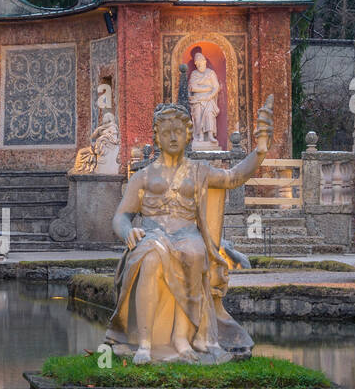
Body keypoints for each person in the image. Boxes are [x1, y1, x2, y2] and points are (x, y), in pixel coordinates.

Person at [105, 92, 273, 364]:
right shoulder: (143, 177)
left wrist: (260, 150)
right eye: (167, 132)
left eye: (179, 132)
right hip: (152, 234)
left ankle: (183, 340)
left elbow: (233, 177)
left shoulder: (199, 171)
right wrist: (128, 231)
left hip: (187, 235)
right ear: (157, 136)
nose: (173, 137)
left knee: (196, 253)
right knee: (150, 257)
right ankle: (145, 344)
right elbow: (121, 216)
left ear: (188, 135)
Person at [187, 48, 221, 146]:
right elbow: (192, 87)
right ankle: (200, 135)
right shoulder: (194, 74)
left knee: (209, 114)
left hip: (209, 99)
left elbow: (216, 87)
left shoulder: (210, 73)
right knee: (197, 115)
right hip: (197, 100)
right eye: (196, 63)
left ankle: (210, 135)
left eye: (200, 62)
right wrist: (207, 88)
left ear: (205, 62)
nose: (198, 65)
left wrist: (209, 95)